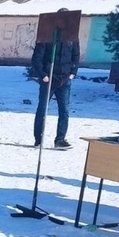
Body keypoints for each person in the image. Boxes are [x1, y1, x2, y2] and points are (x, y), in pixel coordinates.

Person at [31, 16, 80, 150]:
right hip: (49, 79)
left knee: (64, 110)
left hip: (65, 79)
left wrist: (73, 72)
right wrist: (43, 74)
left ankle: (60, 139)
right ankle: (38, 139)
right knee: (42, 109)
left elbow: (76, 56)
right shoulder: (47, 36)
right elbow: (36, 58)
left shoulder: (72, 37)